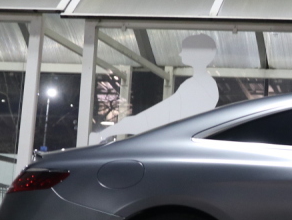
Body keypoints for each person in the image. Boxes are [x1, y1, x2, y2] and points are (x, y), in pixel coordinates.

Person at [89, 33, 218, 144]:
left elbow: (168, 110)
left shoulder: (197, 85)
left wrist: (132, 124)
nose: (180, 53)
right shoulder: (200, 84)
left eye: (185, 50)